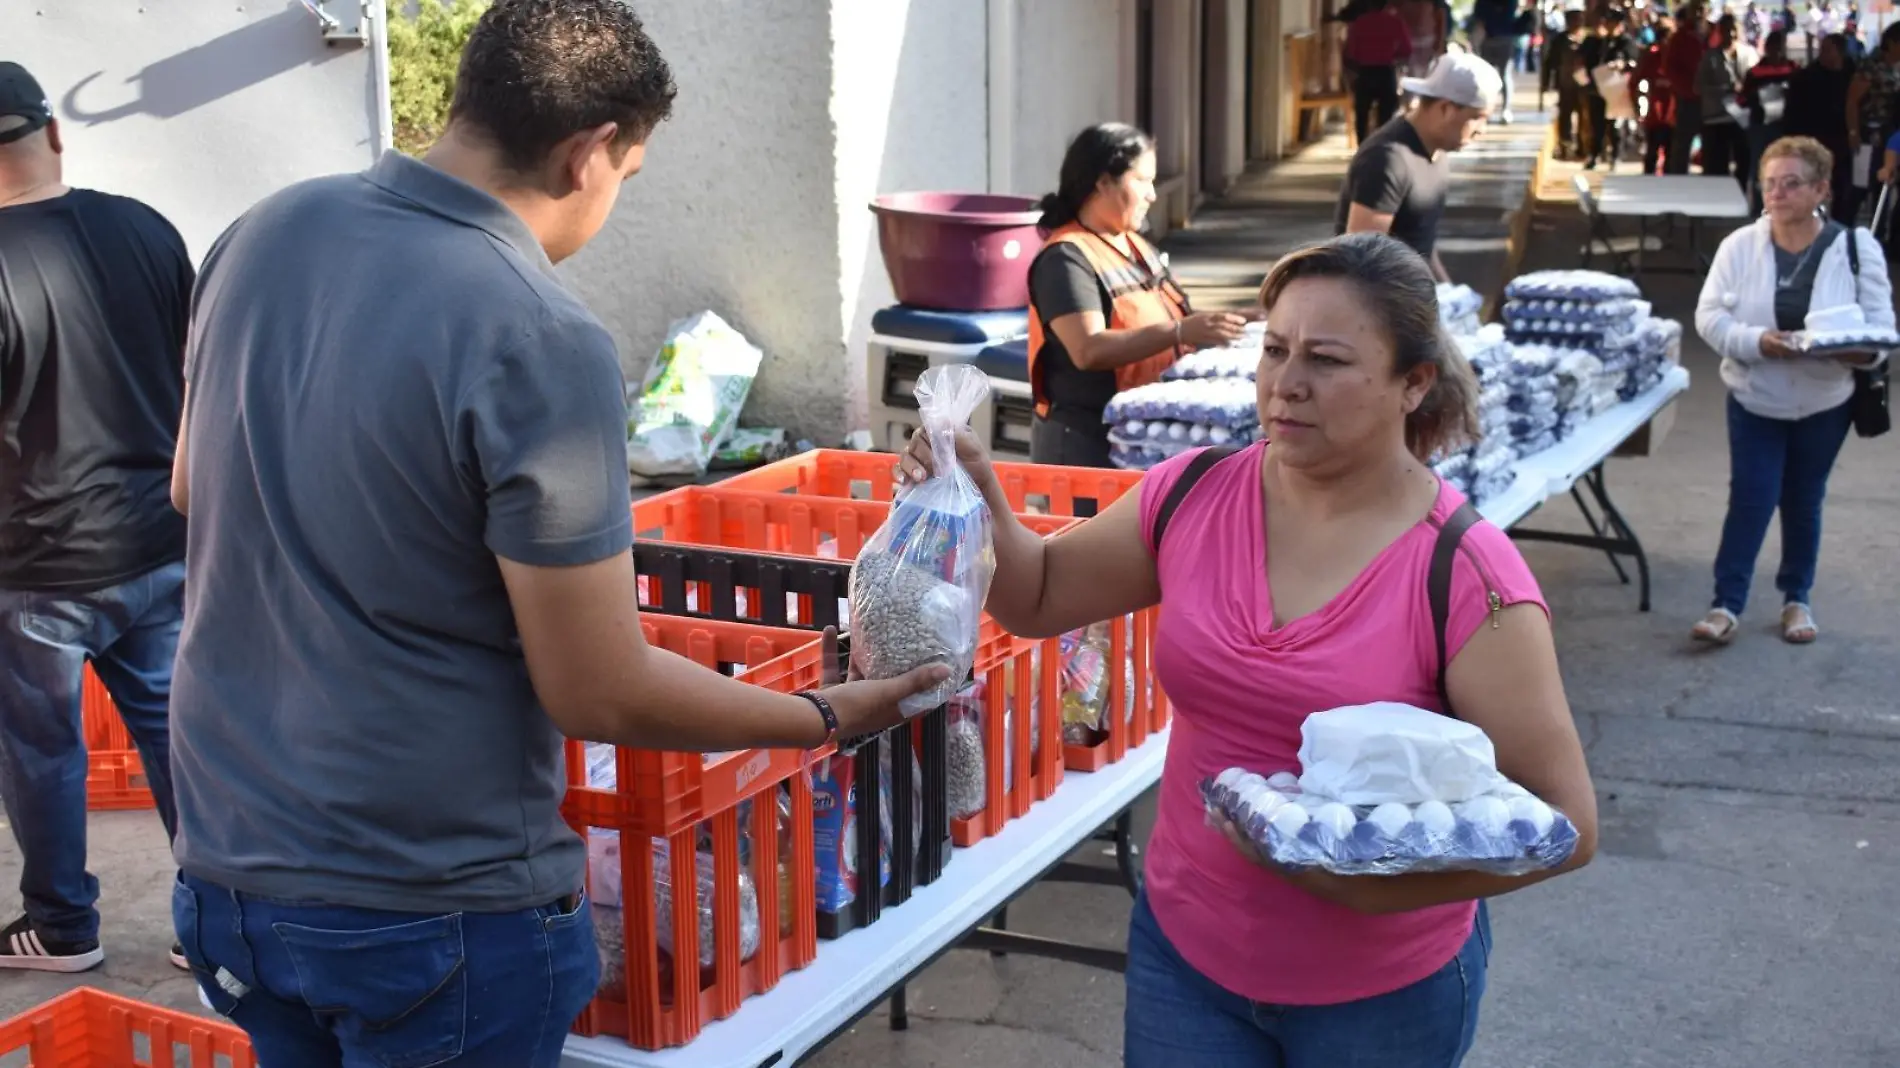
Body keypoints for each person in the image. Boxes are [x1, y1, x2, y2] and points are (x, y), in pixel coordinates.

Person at [166, 3, 947, 1065]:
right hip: (426, 898)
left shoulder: (263, 233)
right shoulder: (535, 329)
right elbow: (597, 690)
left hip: (228, 867)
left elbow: (188, 491)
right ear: (589, 154)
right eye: (629, 174)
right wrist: (818, 713)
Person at [895, 232, 1598, 1068]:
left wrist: (1371, 885)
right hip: (1186, 961)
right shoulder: (1195, 493)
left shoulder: (1465, 574)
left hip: (1378, 999)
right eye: (1274, 350)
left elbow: (1565, 822)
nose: (1286, 384)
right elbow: (1040, 595)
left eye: (1327, 360)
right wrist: (979, 491)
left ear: (1414, 383)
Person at [0, 61, 193, 975]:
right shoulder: (148, 230)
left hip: (36, 567)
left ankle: (64, 928)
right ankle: (221, 921)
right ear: (54, 135)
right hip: (159, 542)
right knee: (177, 731)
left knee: (43, 750)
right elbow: (197, 376)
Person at [1691, 136, 1890, 645]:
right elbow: (1709, 317)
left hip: (1825, 402)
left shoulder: (1854, 247)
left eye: (1792, 183)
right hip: (1755, 396)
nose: (1777, 194)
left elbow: (1881, 335)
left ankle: (1796, 600)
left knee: (1803, 500)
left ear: (1821, 188)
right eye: (1770, 184)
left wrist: (1845, 350)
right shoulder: (1739, 246)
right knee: (1752, 498)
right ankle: (1726, 604)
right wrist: (1756, 341)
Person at [1026, 123, 1247, 469]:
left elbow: (1172, 316)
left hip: (1137, 437)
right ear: (1103, 182)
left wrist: (1240, 319)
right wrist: (1180, 332)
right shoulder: (1065, 258)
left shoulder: (1134, 244)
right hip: (1087, 446)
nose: (1152, 195)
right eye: (1143, 181)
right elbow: (1088, 349)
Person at [1336, 51, 1503, 282]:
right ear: (1446, 108)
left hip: (1418, 301)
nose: (1482, 129)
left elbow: (1421, 241)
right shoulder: (1387, 159)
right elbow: (1360, 261)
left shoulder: (1437, 151)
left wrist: (1448, 292)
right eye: (1477, 117)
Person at [1784, 32, 1856, 220]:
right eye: (1821, 49)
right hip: (1813, 140)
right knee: (1813, 186)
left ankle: (1842, 226)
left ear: (1839, 52)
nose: (1822, 53)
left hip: (1843, 141)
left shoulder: (1853, 75)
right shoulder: (1806, 77)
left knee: (1844, 189)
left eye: (1827, 49)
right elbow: (1793, 112)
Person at [1845, 23, 1900, 220]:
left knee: (1884, 185)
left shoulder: (1897, 67)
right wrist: (1853, 132)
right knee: (1860, 184)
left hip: (1891, 132)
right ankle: (1846, 225)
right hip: (1868, 133)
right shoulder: (1872, 65)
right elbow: (1852, 101)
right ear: (1892, 43)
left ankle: (1880, 233)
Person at [1741, 30, 1799, 202]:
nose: (1777, 51)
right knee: (1760, 166)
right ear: (1767, 48)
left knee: (1787, 166)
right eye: (1774, 47)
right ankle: (1760, 204)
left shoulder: (1794, 70)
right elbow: (1745, 99)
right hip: (1761, 126)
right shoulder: (1755, 72)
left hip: (1786, 126)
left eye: (1780, 47)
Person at [1346, 0, 1415, 142]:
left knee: (1362, 113)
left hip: (1365, 72)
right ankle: (1382, 144)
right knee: (1386, 113)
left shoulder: (1359, 23)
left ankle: (1361, 145)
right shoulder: (1395, 22)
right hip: (1385, 71)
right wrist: (1391, 55)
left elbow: (1351, 53)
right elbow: (1406, 49)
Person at [1580, 8, 1639, 168]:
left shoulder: (1626, 42)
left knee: (1615, 125)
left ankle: (1616, 155)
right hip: (1597, 88)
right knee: (1596, 124)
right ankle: (1595, 155)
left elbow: (1633, 61)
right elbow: (1586, 60)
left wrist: (1622, 65)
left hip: (1616, 90)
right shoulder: (1598, 41)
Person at [1698, 15, 1750, 182]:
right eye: (1727, 29)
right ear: (1720, 32)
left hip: (1741, 119)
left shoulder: (1749, 53)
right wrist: (1724, 90)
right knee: (1716, 167)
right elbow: (1698, 86)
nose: (1731, 34)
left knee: (1744, 164)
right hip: (1716, 119)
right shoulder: (1710, 57)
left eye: (1734, 29)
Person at [1663, 5, 1710, 173]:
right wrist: (1689, 89)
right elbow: (1670, 69)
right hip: (1688, 100)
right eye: (1694, 9)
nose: (1697, 14)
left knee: (1713, 147)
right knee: (1682, 146)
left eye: (1701, 9)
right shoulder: (1679, 37)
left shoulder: (1714, 33)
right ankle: (1679, 182)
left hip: (1712, 101)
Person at [1471, 0, 1531, 121]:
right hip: (1495, 38)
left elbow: (1478, 20)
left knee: (1501, 75)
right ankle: (1496, 108)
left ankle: (1502, 109)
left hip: (1496, 38)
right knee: (1497, 76)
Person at [1545, 8, 1589, 160]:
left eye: (1579, 19)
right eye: (1573, 19)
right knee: (1565, 116)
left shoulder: (1589, 39)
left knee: (1585, 117)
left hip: (1586, 87)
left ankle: (1584, 148)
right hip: (1565, 85)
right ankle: (1565, 145)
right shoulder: (1559, 40)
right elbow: (1550, 62)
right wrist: (1547, 83)